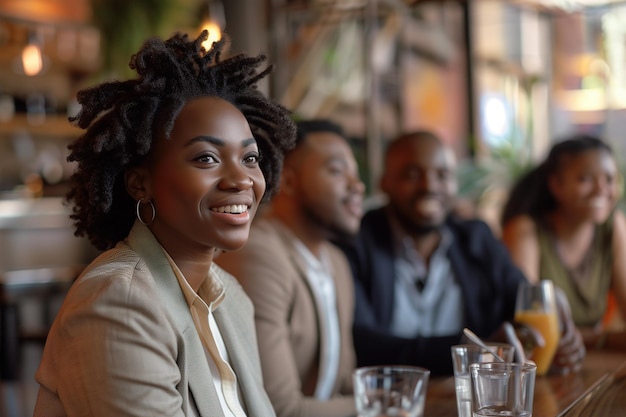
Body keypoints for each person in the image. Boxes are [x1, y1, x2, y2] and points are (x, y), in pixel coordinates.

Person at [33, 31, 296, 417]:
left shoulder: (232, 298)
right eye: (206, 158)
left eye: (250, 159)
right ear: (140, 183)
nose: (241, 179)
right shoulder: (118, 303)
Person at [336, 130, 585, 376]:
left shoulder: (476, 238)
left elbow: (519, 298)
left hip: (473, 401)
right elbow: (362, 342)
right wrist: (470, 351)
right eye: (412, 174)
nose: (429, 186)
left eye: (442, 175)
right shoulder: (357, 244)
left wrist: (553, 320)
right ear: (385, 182)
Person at [216, 119, 365, 417]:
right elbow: (280, 409)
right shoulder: (258, 254)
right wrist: (390, 403)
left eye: (356, 174)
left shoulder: (335, 261)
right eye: (337, 171)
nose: (357, 185)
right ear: (288, 180)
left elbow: (345, 384)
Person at [501, 134, 626, 350]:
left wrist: (586, 340)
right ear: (556, 185)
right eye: (585, 179)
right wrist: (601, 338)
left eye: (610, 179)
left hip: (591, 363)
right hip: (540, 366)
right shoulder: (525, 230)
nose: (601, 189)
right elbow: (532, 330)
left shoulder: (613, 226)